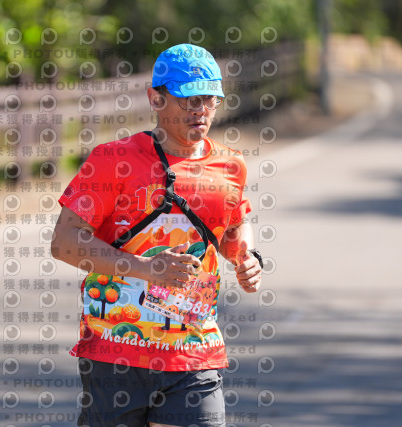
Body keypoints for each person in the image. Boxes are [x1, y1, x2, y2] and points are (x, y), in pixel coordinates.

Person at [52, 43, 263, 426]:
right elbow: (65, 242)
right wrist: (146, 268)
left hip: (194, 351)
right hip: (115, 351)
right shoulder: (113, 160)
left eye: (209, 99)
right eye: (188, 99)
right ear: (155, 98)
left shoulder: (230, 166)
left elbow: (233, 228)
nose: (200, 109)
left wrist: (246, 257)